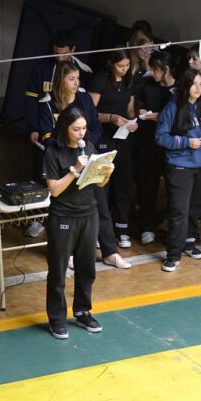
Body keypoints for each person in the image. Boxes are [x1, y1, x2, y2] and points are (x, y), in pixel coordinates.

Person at [38, 62, 130, 269]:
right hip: (64, 160)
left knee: (100, 204)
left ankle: (110, 251)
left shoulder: (84, 98)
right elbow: (47, 136)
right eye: (71, 79)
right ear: (60, 81)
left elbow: (95, 126)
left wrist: (86, 143)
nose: (76, 83)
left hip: (88, 155)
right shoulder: (48, 103)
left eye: (78, 78)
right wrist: (68, 146)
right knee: (68, 207)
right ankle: (68, 252)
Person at [42, 106, 114, 339]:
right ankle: (56, 319)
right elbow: (54, 190)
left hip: (88, 214)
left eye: (84, 128)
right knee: (59, 269)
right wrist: (75, 170)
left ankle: (83, 311)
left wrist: (106, 172)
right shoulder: (53, 152)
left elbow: (98, 185)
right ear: (65, 128)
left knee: (87, 267)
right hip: (63, 216)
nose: (81, 133)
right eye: (76, 129)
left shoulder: (89, 147)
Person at [155, 69, 201, 272]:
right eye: (194, 84)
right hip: (180, 165)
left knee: (197, 206)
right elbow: (160, 137)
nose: (198, 88)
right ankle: (173, 254)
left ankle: (189, 243)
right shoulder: (172, 107)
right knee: (179, 210)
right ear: (185, 85)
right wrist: (185, 142)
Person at [24, 30, 80, 238]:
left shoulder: (81, 71)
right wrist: (33, 128)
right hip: (45, 130)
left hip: (71, 138)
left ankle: (63, 218)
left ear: (72, 51)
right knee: (40, 175)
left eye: (63, 53)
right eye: (56, 52)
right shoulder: (40, 69)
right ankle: (37, 217)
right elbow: (31, 100)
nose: (59, 57)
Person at [88, 49, 138, 248]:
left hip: (123, 137)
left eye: (127, 65)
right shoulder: (99, 81)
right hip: (103, 137)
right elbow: (91, 112)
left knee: (123, 183)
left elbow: (130, 109)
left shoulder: (128, 81)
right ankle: (100, 231)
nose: (124, 69)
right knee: (102, 184)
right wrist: (110, 118)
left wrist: (134, 121)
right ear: (111, 63)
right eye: (120, 66)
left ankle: (122, 228)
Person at [135, 49, 177, 245]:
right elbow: (138, 104)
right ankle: (146, 226)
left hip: (172, 146)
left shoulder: (179, 89)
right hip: (149, 142)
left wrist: (158, 116)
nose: (152, 73)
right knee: (148, 186)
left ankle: (170, 222)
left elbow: (178, 117)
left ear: (165, 69)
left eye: (155, 69)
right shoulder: (147, 85)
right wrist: (142, 112)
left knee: (173, 186)